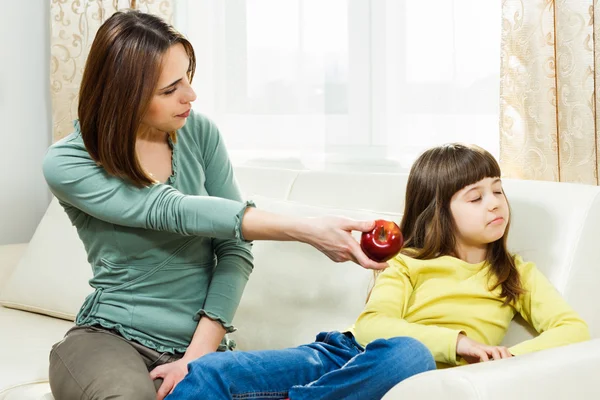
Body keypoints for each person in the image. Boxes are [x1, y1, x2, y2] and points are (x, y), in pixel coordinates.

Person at [42, 10, 389, 400]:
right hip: (110, 341)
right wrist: (306, 229)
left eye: (188, 77)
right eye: (170, 89)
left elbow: (233, 247)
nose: (190, 95)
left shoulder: (199, 134)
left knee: (384, 361)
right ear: (124, 96)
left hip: (203, 351)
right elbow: (168, 210)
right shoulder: (69, 161)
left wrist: (197, 356)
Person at [167, 143, 590, 400]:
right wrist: (458, 344)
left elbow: (572, 331)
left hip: (403, 373)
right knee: (207, 374)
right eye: (475, 197)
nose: (495, 203)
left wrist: (507, 358)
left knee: (412, 356)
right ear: (438, 211)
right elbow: (373, 326)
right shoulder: (407, 262)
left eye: (498, 190)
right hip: (345, 355)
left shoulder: (515, 275)